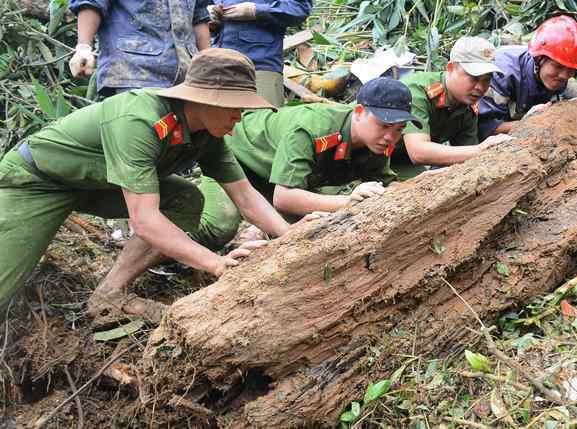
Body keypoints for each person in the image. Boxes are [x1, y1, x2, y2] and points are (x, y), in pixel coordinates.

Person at [0, 49, 289, 323]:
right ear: (205, 100)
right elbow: (145, 220)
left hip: (95, 184)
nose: (239, 117)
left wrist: (293, 237)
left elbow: (245, 197)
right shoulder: (140, 119)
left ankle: (110, 294)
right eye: (234, 106)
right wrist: (216, 263)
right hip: (36, 182)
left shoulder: (207, 134)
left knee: (183, 198)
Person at [192, 77, 421, 247]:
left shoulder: (377, 143)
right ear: (359, 112)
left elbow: (387, 184)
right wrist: (349, 201)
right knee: (218, 226)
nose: (391, 137)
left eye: (399, 130)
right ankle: (164, 247)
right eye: (384, 125)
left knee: (312, 229)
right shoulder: (313, 127)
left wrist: (421, 186)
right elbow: (285, 198)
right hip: (240, 156)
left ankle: (254, 236)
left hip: (277, 177)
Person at [392, 37, 509, 179]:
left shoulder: (467, 107)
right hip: (372, 158)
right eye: (473, 78)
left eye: (487, 80)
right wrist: (480, 150)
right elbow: (418, 152)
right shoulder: (416, 92)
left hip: (402, 162)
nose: (480, 87)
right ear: (451, 68)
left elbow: (468, 156)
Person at [478, 16, 577, 140]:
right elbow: (486, 128)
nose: (565, 76)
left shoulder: (554, 77)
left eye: (571, 70)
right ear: (539, 59)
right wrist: (535, 123)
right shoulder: (502, 73)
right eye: (558, 67)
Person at [68, 0, 212, 96]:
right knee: (141, 133)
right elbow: (91, 3)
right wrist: (83, 47)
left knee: (182, 140)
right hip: (135, 72)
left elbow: (199, 17)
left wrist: (210, 63)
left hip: (186, 77)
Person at [209, 0, 313, 106]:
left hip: (259, 66)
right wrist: (210, 15)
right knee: (220, 119)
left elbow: (299, 8)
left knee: (260, 118)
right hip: (217, 66)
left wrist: (257, 10)